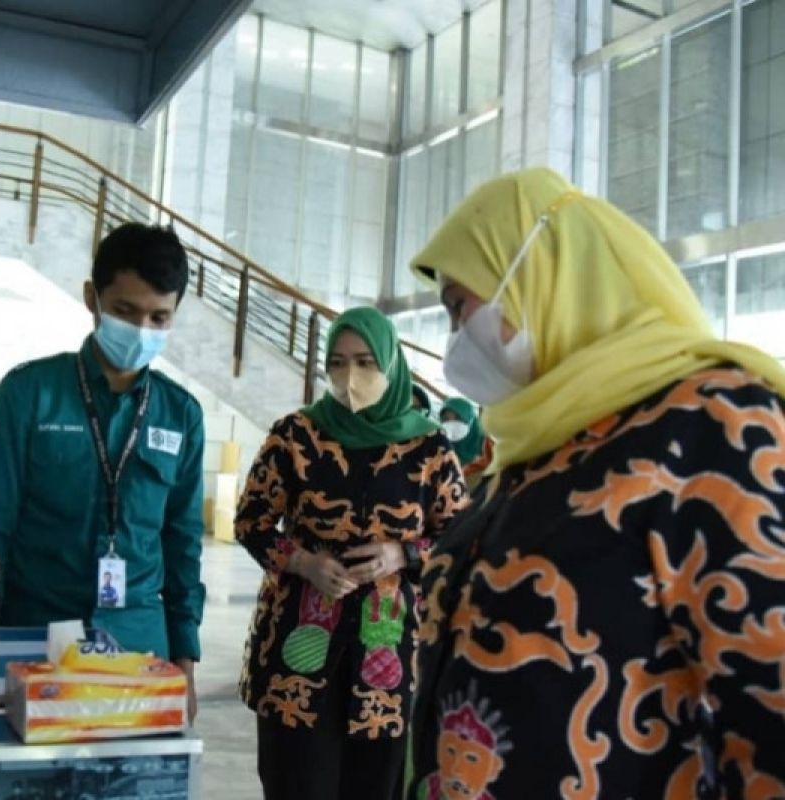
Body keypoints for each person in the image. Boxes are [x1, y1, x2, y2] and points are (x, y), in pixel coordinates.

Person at [406, 168, 785, 799]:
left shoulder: (711, 422)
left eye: (458, 307)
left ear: (537, 277)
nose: (454, 340)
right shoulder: (531, 446)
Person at [0, 222, 205, 721]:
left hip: (141, 648)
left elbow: (182, 542)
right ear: (91, 297)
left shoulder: (180, 414)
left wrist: (184, 659)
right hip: (35, 638)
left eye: (159, 317)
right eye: (125, 311)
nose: (142, 329)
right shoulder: (29, 393)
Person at [236, 307, 469, 800]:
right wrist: (304, 562)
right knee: (296, 782)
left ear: (391, 363)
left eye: (365, 362)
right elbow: (251, 522)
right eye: (338, 362)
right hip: (297, 652)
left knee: (377, 787)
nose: (350, 377)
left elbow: (460, 541)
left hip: (391, 659)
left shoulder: (431, 450)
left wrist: (403, 554)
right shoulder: (294, 436)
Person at [437, 397, 491, 487]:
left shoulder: (486, 446)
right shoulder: (440, 446)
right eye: (446, 419)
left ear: (471, 419)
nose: (452, 423)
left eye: (458, 418)